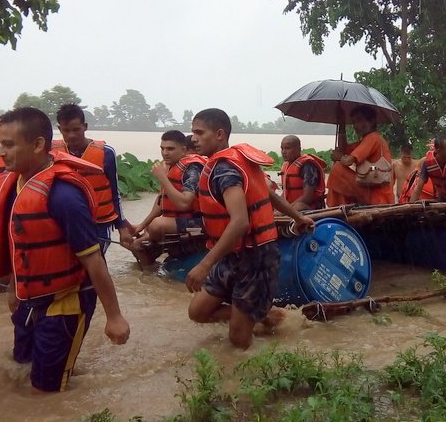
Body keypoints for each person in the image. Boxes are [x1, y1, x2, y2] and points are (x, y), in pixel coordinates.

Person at [0, 107, 130, 393]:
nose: (0, 152)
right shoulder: (15, 184)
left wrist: (114, 317)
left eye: (9, 145)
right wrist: (15, 287)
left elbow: (94, 260)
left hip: (65, 301)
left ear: (38, 144)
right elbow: (20, 243)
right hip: (30, 299)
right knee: (20, 365)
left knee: (46, 391)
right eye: (0, 143)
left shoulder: (63, 195)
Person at [186, 108, 315, 349]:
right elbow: (267, 192)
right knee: (198, 311)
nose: (193, 138)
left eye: (199, 132)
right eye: (192, 132)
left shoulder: (226, 169)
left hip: (256, 256)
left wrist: (205, 265)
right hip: (231, 254)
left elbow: (240, 221)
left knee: (238, 339)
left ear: (219, 134)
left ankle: (255, 321)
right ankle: (263, 314)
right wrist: (297, 217)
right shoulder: (231, 161)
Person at [53, 104, 131, 250]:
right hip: (66, 222)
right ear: (59, 129)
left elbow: (114, 192)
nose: (71, 135)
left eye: (76, 129)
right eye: (66, 130)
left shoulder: (106, 153)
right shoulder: (51, 153)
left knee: (96, 262)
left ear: (85, 126)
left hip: (100, 223)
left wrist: (122, 227)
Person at [127, 130, 205, 268]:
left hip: (199, 221)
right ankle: (149, 274)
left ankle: (148, 245)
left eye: (170, 149)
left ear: (184, 150)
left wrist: (162, 178)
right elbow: (161, 201)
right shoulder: (169, 167)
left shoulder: (192, 168)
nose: (165, 153)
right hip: (176, 220)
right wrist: (142, 225)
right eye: (162, 148)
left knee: (157, 225)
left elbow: (184, 204)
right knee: (142, 233)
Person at [326, 106, 394, 207]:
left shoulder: (372, 137)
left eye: (359, 120)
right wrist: (341, 124)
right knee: (338, 170)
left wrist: (339, 157)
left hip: (376, 193)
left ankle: (335, 206)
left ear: (371, 121)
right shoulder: (366, 140)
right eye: (354, 122)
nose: (356, 126)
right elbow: (343, 149)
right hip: (370, 188)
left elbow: (348, 161)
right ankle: (338, 205)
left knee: (338, 169)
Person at [279, 135, 326, 211]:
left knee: (299, 206)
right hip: (291, 207)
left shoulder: (308, 166)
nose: (284, 152)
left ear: (298, 149)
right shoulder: (286, 166)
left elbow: (307, 197)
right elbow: (285, 193)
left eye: (287, 148)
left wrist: (285, 211)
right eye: (282, 148)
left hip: (309, 208)